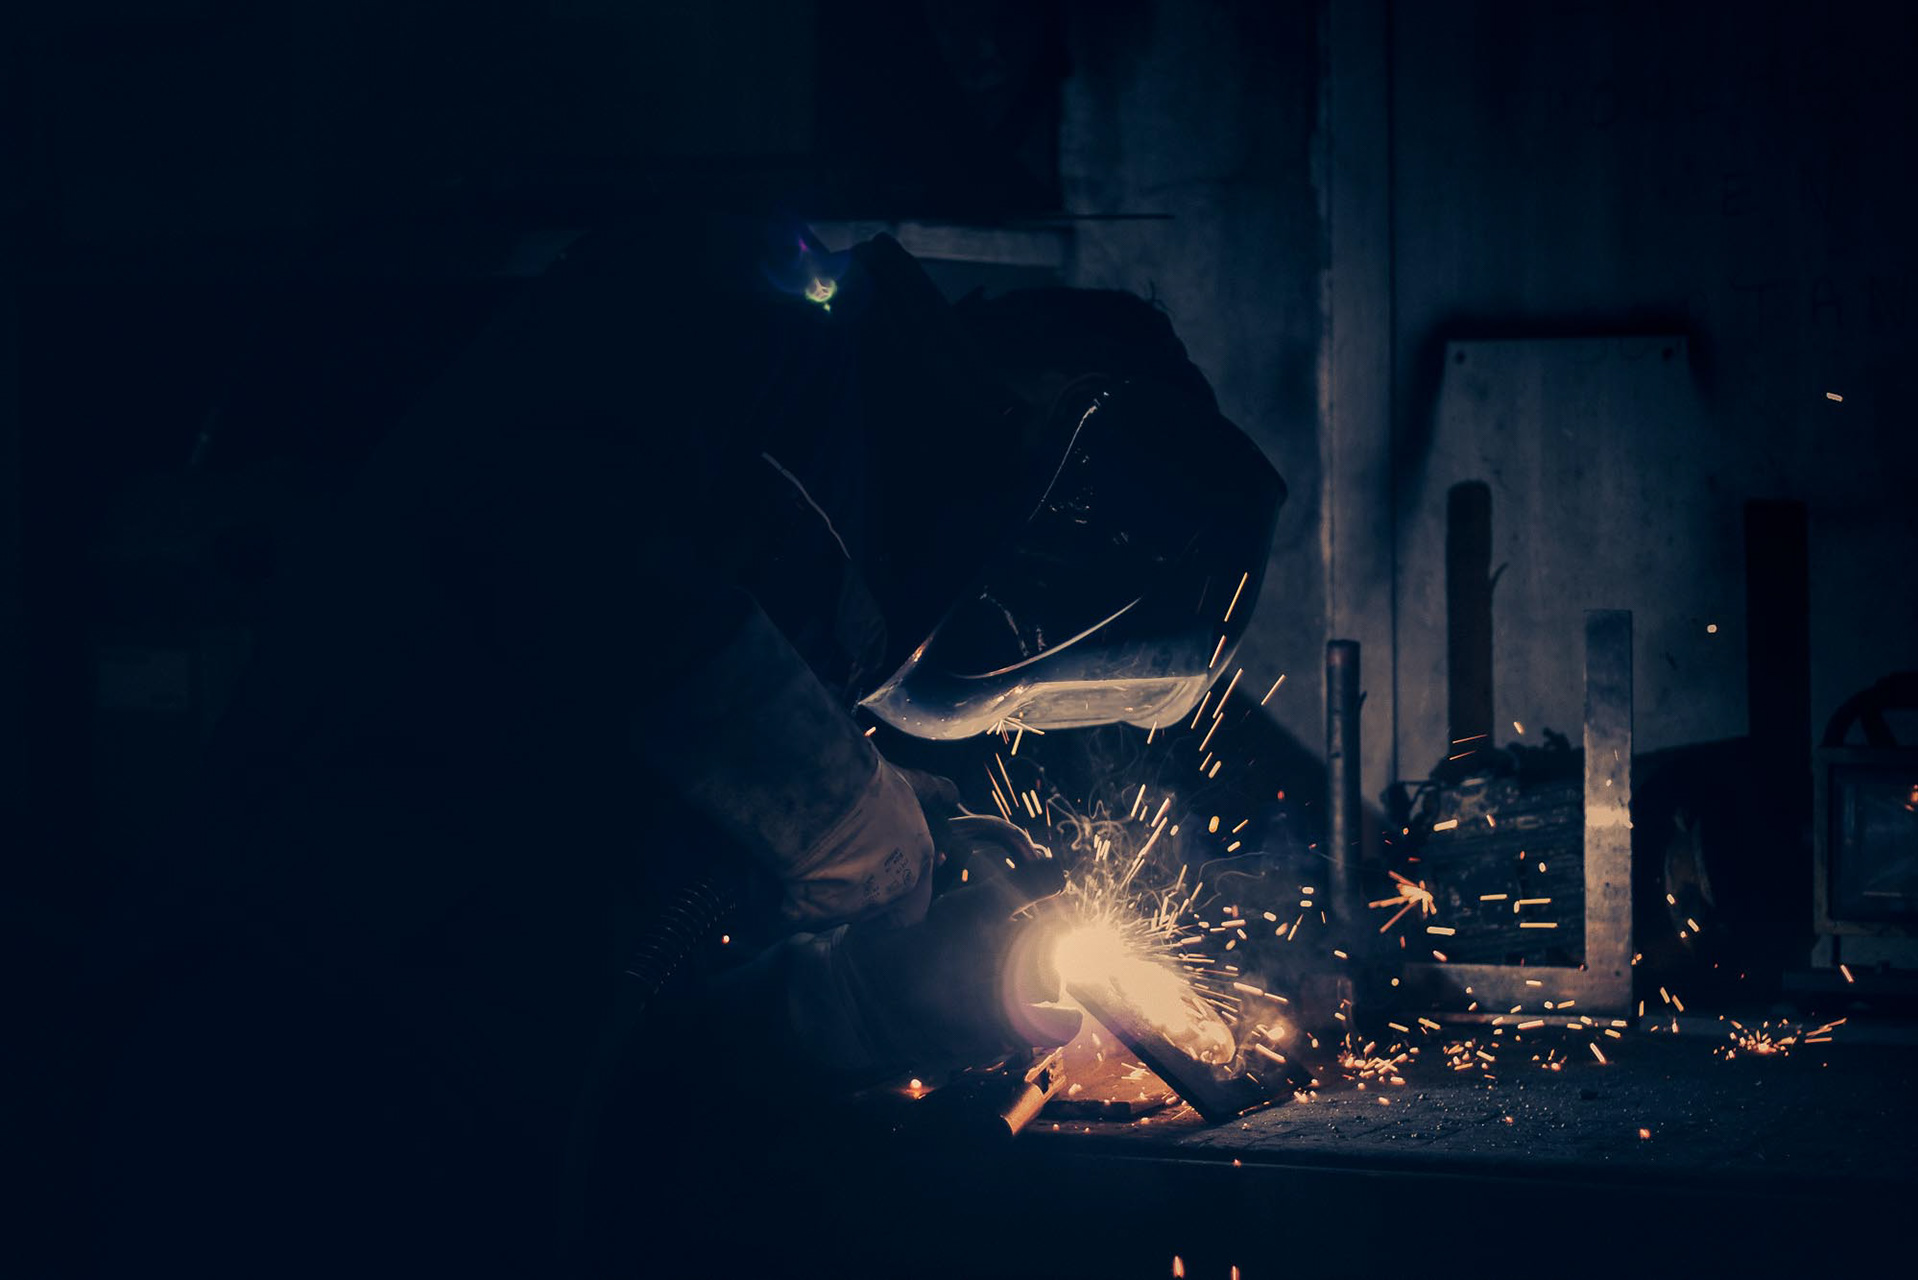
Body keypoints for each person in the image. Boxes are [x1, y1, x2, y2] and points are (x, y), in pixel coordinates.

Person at [88, 217, 1283, 1274]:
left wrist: (881, 990)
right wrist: (826, 801)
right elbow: (560, 540)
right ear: (1043, 444)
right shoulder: (742, 326)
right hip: (280, 1057)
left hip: (449, 1096)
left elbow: (666, 1002)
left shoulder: (820, 517)